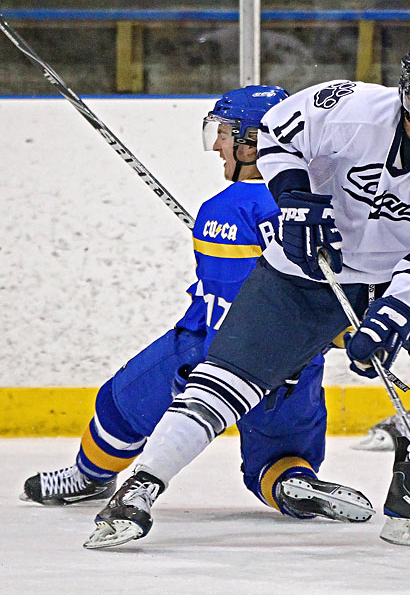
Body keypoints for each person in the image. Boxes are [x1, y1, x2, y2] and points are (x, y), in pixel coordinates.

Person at [85, 32, 410, 549]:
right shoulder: (350, 107)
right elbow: (275, 132)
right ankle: (139, 489)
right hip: (305, 273)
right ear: (407, 91)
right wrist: (295, 198)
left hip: (396, 272)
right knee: (221, 382)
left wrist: (391, 316)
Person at [21, 85, 376, 533]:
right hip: (299, 366)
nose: (218, 146)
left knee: (120, 404)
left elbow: (225, 309)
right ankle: (290, 482)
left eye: (226, 133)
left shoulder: (227, 207)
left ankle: (91, 477)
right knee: (281, 453)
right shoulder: (334, 207)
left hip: (208, 354)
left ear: (253, 142)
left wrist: (218, 367)